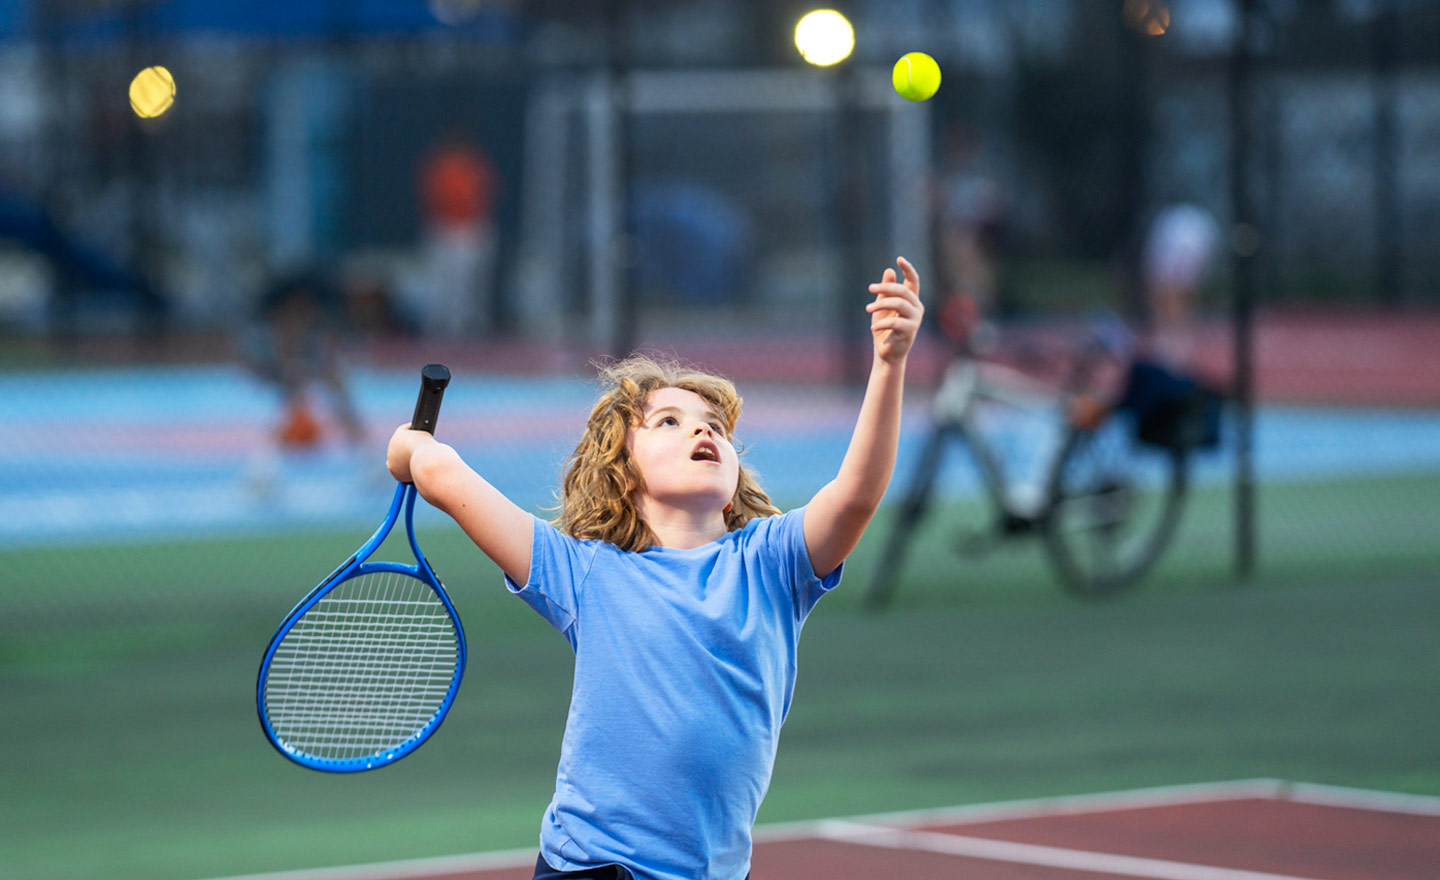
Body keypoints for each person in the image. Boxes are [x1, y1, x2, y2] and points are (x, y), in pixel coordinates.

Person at [385, 258, 925, 880]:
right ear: (623, 470)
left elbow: (856, 494)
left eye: (714, 426)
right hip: (591, 869)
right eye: (668, 421)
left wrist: (889, 364)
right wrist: (412, 449)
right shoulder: (584, 572)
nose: (701, 429)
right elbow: (446, 476)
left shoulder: (774, 564)